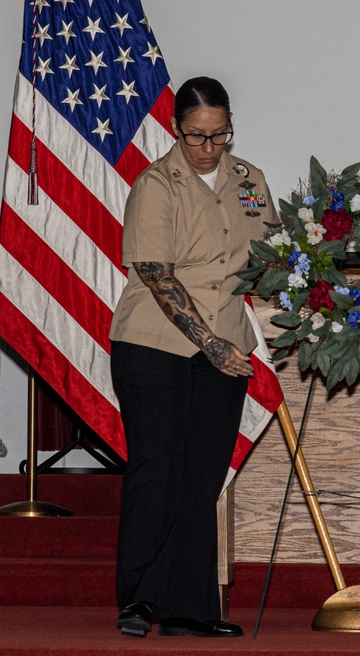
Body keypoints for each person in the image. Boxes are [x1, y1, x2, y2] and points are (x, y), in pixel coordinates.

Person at [108, 76, 275, 639]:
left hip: (225, 343)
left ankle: (190, 608)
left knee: (202, 477)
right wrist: (210, 344)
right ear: (177, 130)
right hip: (155, 344)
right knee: (157, 471)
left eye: (220, 135)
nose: (209, 148)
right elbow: (157, 276)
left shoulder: (249, 180)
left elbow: (269, 256)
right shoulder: (157, 184)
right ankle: (138, 599)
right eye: (197, 136)